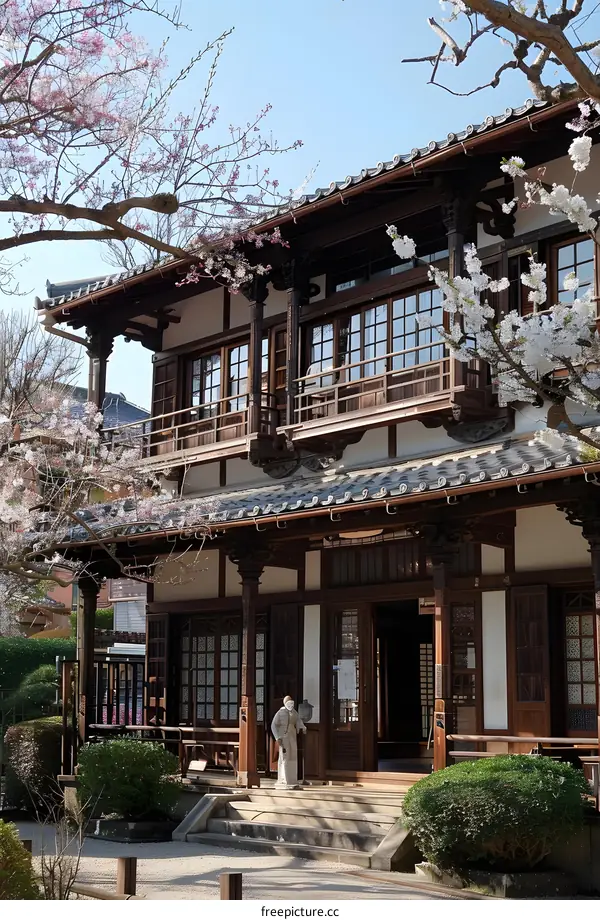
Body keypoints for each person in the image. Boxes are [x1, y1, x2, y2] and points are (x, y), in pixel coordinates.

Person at [270, 695, 307, 788]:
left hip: (292, 736)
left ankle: (292, 779)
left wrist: (302, 727)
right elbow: (273, 725)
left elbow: (298, 721)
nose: (291, 704)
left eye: (292, 703)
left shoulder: (294, 713)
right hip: (283, 737)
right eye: (289, 703)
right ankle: (284, 779)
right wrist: (277, 737)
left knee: (293, 755)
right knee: (284, 757)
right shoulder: (280, 712)